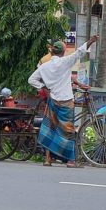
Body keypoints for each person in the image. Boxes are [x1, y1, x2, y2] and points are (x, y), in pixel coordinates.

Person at [28, 35, 99, 168]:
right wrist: (91, 41)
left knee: (50, 128)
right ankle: (71, 161)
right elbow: (79, 52)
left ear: (52, 52)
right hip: (66, 101)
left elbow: (31, 80)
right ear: (63, 52)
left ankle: (48, 159)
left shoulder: (44, 66)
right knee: (68, 130)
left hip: (52, 100)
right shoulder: (66, 62)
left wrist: (44, 88)